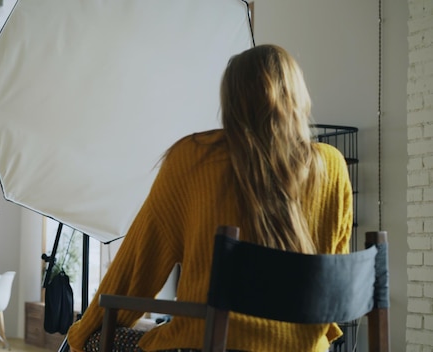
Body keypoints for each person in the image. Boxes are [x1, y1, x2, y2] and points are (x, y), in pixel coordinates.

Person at [67, 44, 353, 352]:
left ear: (231, 100)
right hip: (305, 347)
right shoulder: (332, 166)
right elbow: (336, 284)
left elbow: (137, 264)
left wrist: (83, 334)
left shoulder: (193, 159)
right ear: (297, 95)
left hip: (203, 345)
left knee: (100, 340)